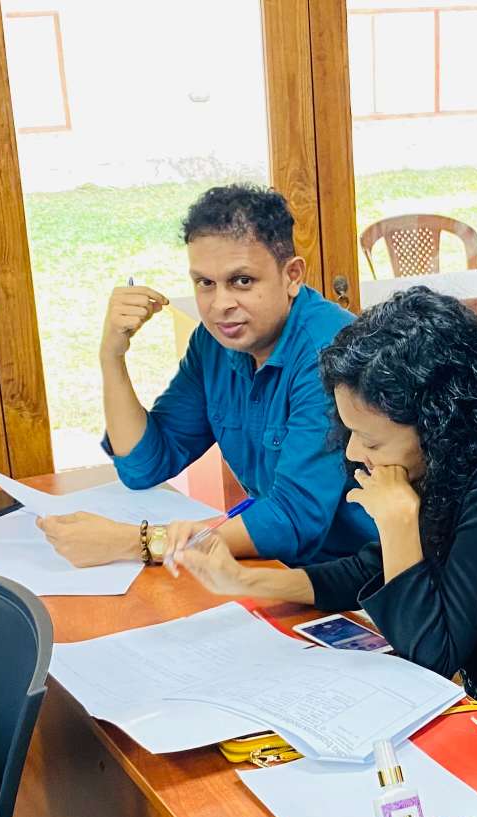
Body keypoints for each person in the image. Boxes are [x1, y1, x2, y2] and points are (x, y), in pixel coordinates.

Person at [179, 287, 477, 780]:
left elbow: (431, 654)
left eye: (370, 439)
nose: (353, 452)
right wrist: (248, 581)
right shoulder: (447, 464)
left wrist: (398, 521)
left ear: (438, 425)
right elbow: (370, 570)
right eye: (350, 432)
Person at [38, 184, 375, 569]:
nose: (220, 305)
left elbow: (294, 521)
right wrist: (111, 356)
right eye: (205, 283)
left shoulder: (329, 349)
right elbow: (144, 465)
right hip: (277, 567)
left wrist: (138, 543)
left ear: (292, 276)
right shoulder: (213, 343)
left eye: (242, 281)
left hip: (364, 578)